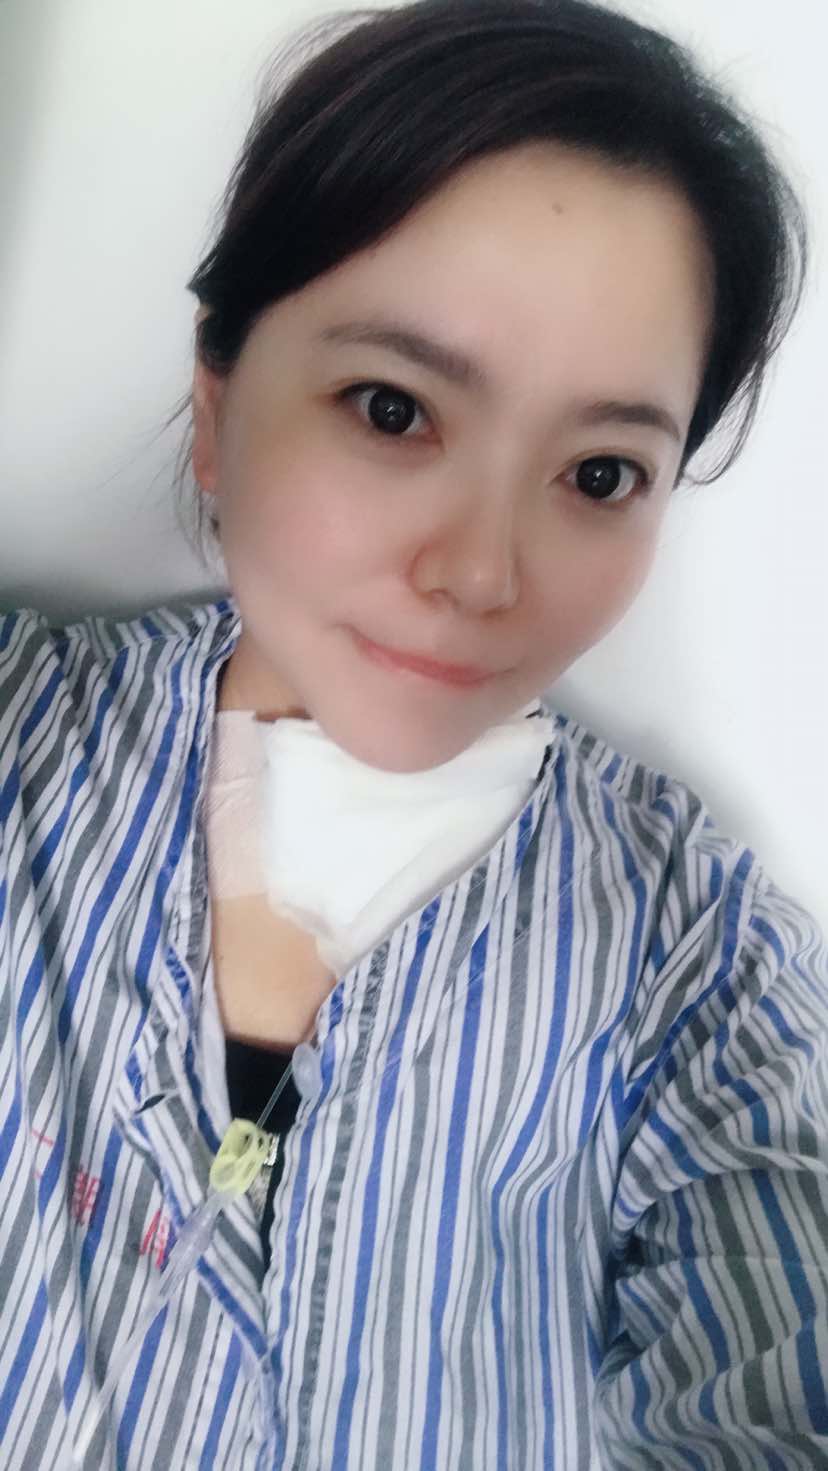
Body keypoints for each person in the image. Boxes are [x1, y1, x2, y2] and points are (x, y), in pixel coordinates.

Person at [1, 0, 826, 1466]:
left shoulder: (694, 955)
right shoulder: (21, 737)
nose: (484, 575)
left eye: (600, 473)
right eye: (393, 408)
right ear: (216, 409)